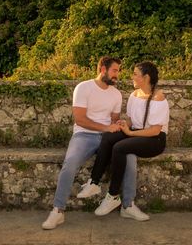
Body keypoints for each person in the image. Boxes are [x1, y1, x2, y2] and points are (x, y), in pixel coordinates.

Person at [41, 56, 138, 230]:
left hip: (107, 139)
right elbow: (80, 119)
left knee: (130, 156)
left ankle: (128, 205)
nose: (118, 74)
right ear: (103, 69)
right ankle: (58, 211)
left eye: (119, 71)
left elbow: (114, 120)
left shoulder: (116, 94)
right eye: (115, 70)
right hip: (84, 136)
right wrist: (105, 128)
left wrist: (119, 126)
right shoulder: (83, 88)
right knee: (70, 163)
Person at [78, 61, 169, 221]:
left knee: (120, 148)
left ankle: (113, 196)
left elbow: (155, 130)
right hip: (137, 133)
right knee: (108, 136)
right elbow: (132, 122)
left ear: (146, 77)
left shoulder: (158, 97)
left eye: (135, 74)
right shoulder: (135, 95)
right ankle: (94, 182)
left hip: (155, 140)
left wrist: (128, 132)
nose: (131, 76)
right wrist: (124, 125)